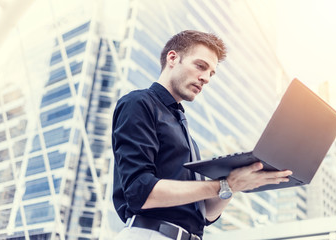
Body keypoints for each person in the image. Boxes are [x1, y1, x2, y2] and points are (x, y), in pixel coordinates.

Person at [112, 30, 292, 240]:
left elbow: (206, 214)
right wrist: (225, 185)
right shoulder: (139, 103)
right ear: (173, 58)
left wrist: (236, 184)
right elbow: (140, 192)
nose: (206, 78)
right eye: (200, 66)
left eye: (211, 73)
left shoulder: (187, 136)